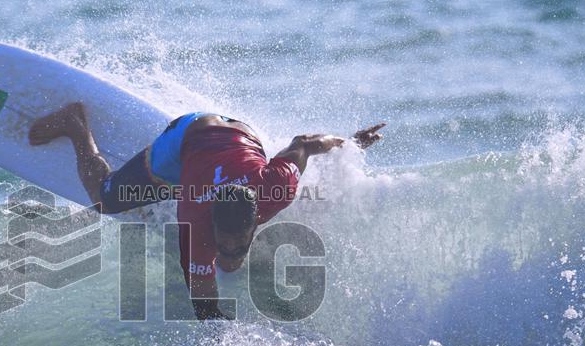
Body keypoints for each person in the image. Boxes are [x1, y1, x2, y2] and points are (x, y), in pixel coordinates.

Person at [28, 102, 385, 320]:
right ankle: (75, 123)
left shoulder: (276, 188)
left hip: (240, 132)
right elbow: (206, 308)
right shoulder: (195, 224)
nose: (226, 252)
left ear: (256, 216)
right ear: (210, 223)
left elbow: (305, 144)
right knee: (107, 200)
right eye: (222, 243)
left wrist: (349, 144)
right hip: (189, 135)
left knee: (228, 261)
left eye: (236, 244)